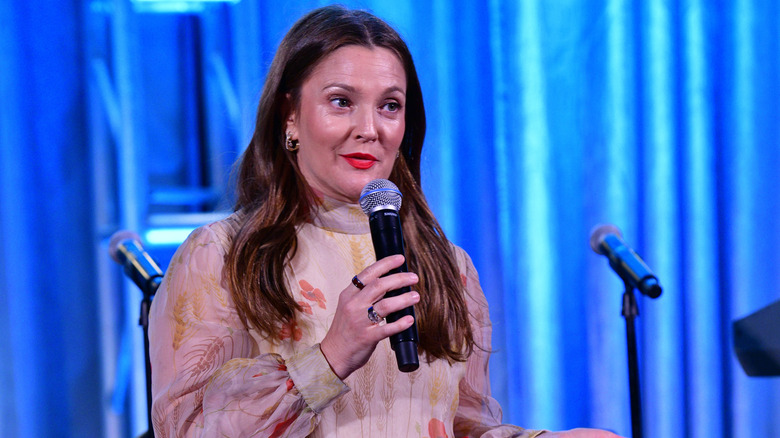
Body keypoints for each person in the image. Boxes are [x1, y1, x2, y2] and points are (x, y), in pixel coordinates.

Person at [149, 5, 623, 438]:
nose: (370, 128)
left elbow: (461, 426)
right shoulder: (222, 256)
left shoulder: (448, 267)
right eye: (341, 101)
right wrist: (330, 358)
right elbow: (186, 430)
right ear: (289, 115)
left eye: (389, 106)